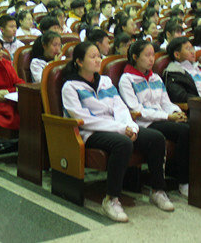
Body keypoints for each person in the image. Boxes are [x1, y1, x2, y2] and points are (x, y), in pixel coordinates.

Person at [62, 42, 170, 221]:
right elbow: (83, 119)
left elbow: (120, 106)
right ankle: (111, 199)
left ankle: (158, 190)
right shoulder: (70, 87)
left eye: (99, 56)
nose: (98, 60)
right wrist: (120, 129)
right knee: (123, 143)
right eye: (93, 57)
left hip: (117, 126)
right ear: (79, 62)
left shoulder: (105, 81)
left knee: (156, 138)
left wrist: (130, 126)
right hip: (90, 132)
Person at [119, 40, 189, 198]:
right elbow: (137, 110)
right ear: (135, 57)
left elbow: (165, 102)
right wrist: (168, 116)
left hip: (163, 118)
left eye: (153, 55)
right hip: (146, 123)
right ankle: (183, 182)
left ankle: (183, 175)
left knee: (191, 126)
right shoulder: (127, 79)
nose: (152, 59)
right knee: (184, 131)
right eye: (147, 55)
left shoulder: (155, 77)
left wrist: (176, 112)